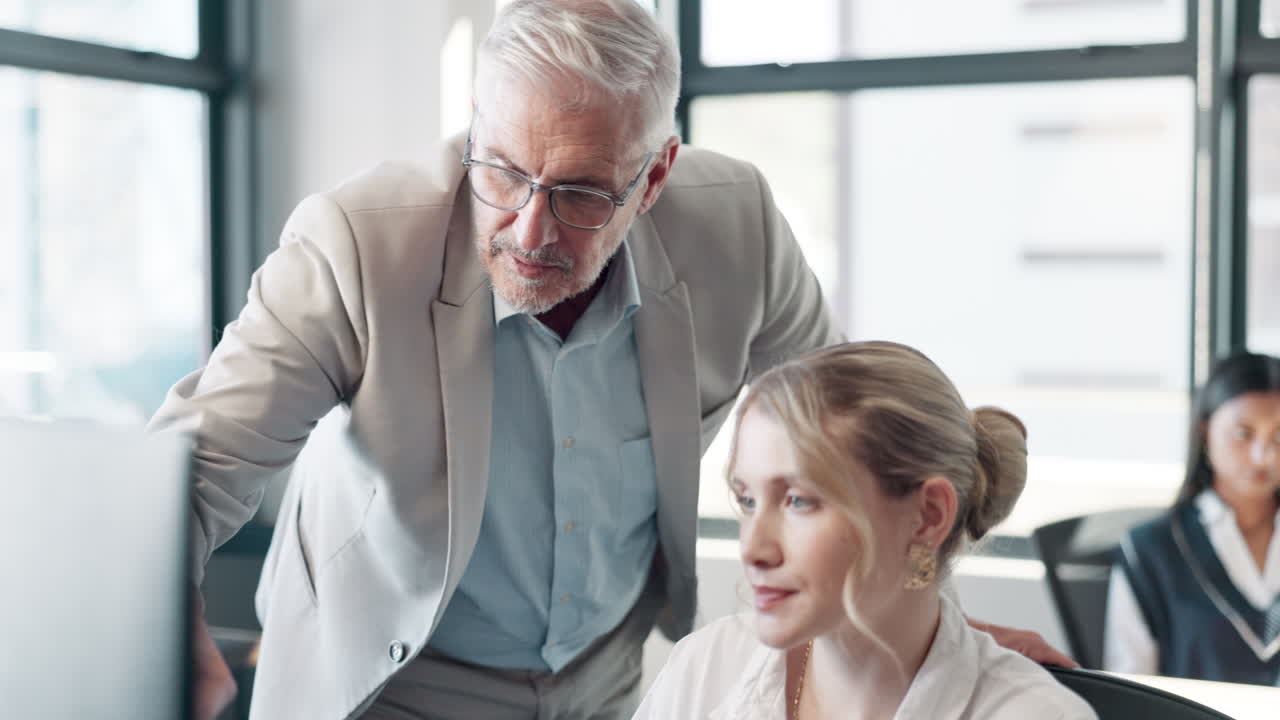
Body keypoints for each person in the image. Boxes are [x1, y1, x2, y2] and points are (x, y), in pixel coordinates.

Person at [152, 2, 1070, 718]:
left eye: (584, 191)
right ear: (475, 128)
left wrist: (921, 625)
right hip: (393, 680)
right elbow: (193, 468)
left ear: (656, 176)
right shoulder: (356, 242)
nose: (530, 229)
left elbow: (855, 458)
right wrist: (155, 624)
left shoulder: (735, 227)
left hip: (608, 685)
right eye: (503, 171)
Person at [632, 341, 1095, 720]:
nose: (754, 549)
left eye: (798, 500)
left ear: (929, 517)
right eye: (749, 501)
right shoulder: (706, 668)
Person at [1105, 351, 1280, 684]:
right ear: (1205, 430)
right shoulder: (1151, 549)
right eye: (1243, 434)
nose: (1265, 456)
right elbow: (1129, 684)